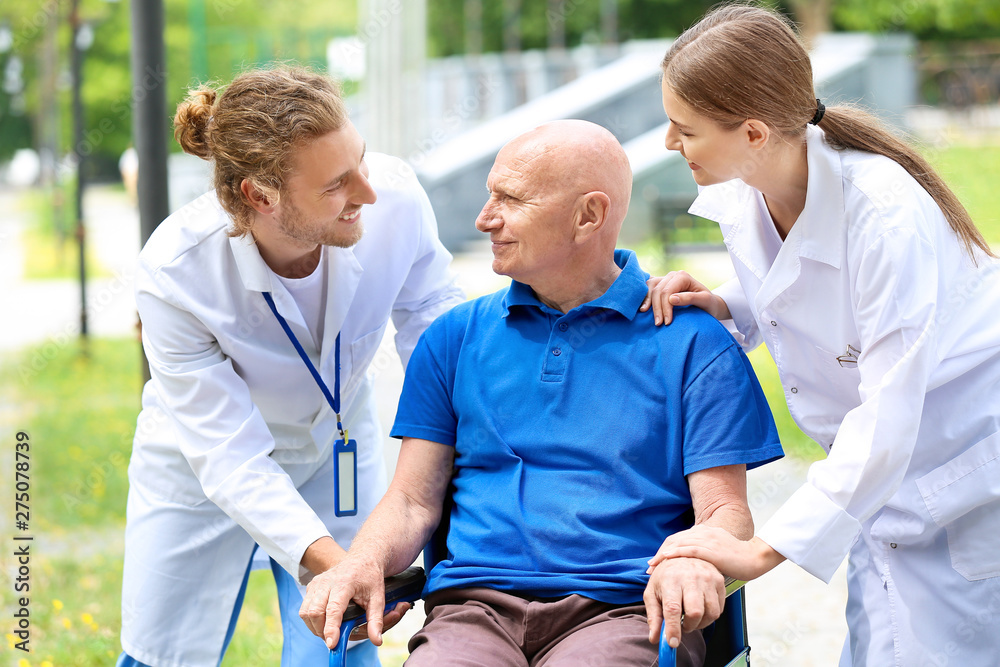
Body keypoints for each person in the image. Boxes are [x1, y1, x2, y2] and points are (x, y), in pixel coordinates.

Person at [298, 119, 783, 667]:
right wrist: (361, 560)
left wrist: (696, 558)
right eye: (489, 195)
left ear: (589, 216)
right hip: (470, 612)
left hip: (624, 609)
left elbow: (725, 512)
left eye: (510, 198)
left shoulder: (693, 343)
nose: (485, 218)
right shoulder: (454, 338)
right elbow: (411, 501)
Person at [642, 5, 1000, 666]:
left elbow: (887, 416)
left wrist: (761, 549)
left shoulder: (885, 216)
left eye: (683, 128)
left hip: (959, 477)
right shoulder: (744, 189)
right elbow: (796, 286)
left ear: (752, 131)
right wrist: (726, 302)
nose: (670, 143)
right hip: (883, 500)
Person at [118, 66, 464, 666]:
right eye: (336, 183)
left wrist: (470, 440)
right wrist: (347, 567)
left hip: (336, 446)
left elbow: (434, 323)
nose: (368, 192)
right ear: (260, 195)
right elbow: (230, 456)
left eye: (360, 159)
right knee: (163, 653)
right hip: (202, 467)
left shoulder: (396, 199)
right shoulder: (176, 273)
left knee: (341, 648)